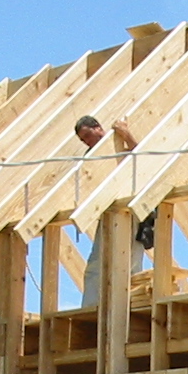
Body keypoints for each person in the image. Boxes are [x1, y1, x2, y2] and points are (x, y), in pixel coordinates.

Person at [74, 115, 154, 307]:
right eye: (83, 140)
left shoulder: (122, 150)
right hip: (109, 210)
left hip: (132, 209)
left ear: (98, 128)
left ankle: (130, 305)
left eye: (87, 135)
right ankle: (91, 308)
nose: (87, 141)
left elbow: (145, 159)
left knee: (131, 264)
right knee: (97, 265)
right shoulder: (93, 160)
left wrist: (125, 134)